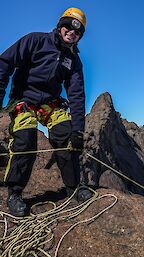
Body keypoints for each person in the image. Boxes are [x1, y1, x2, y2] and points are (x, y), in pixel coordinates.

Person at [0, 7, 92, 217]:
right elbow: (4, 62)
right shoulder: (36, 41)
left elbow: (76, 94)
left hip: (50, 103)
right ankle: (14, 193)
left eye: (77, 31)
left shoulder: (74, 61)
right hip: (24, 99)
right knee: (26, 139)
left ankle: (73, 188)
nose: (72, 32)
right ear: (61, 25)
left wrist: (77, 131)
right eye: (68, 26)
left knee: (66, 137)